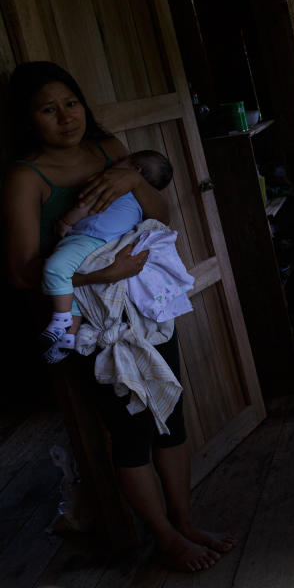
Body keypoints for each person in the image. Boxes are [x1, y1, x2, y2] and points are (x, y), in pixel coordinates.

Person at [1, 61, 235, 572]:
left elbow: (159, 213)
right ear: (26, 118)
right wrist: (100, 277)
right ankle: (165, 537)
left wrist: (131, 177)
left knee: (170, 417)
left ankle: (185, 520)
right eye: (48, 109)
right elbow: (21, 274)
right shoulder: (26, 177)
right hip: (95, 326)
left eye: (72, 103)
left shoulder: (109, 152)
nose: (66, 118)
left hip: (147, 310)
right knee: (131, 434)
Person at [38, 150, 174, 364]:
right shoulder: (141, 206)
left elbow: (84, 207)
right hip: (110, 251)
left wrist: (65, 223)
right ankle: (67, 339)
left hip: (88, 239)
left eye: (122, 160)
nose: (115, 163)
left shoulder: (111, 187)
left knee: (55, 268)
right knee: (71, 292)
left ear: (135, 170)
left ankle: (61, 321)